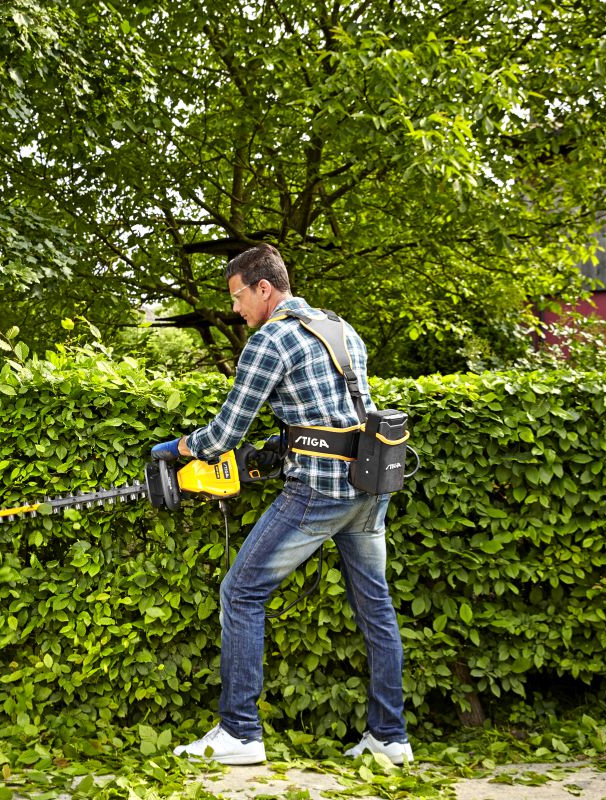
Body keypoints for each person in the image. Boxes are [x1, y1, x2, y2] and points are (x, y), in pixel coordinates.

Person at [150, 243, 412, 766]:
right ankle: (390, 739)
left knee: (240, 593)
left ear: (263, 288)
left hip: (317, 492)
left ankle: (240, 734)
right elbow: (337, 414)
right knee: (376, 610)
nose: (234, 310)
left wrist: (176, 449)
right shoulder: (340, 328)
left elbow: (224, 432)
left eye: (238, 297)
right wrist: (276, 450)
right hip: (370, 488)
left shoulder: (271, 339)